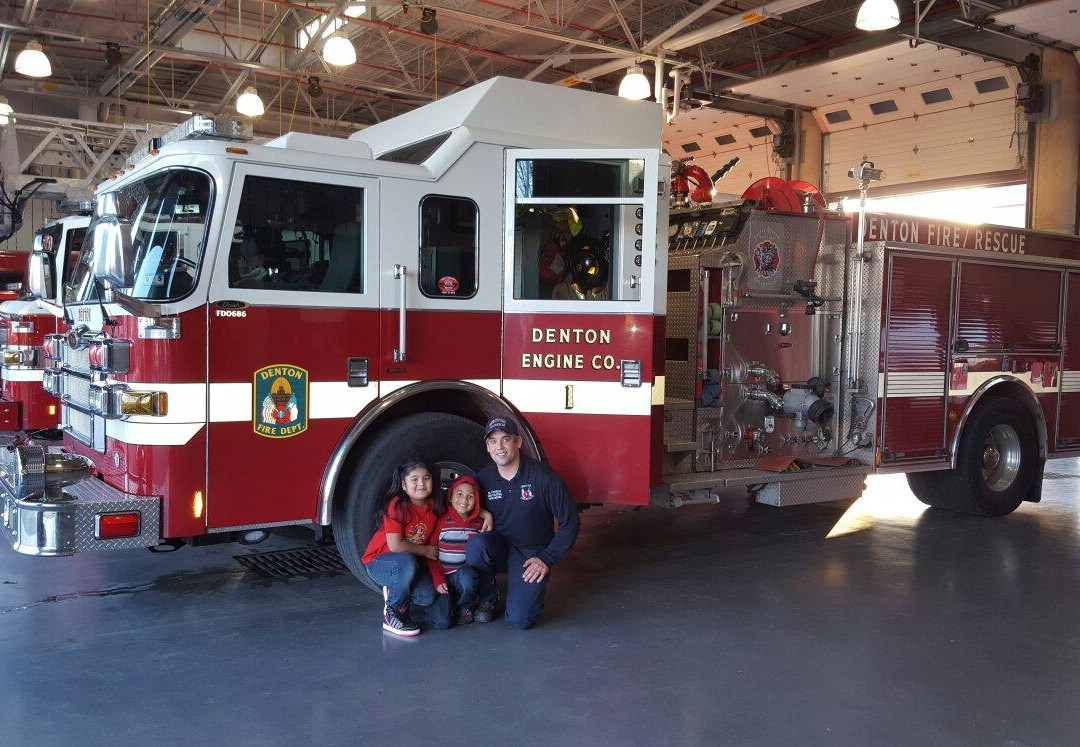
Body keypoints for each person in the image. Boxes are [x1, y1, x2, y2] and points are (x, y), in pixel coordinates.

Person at [466, 417, 580, 629]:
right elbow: (460, 504)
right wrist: (482, 512)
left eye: (505, 439)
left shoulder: (544, 477)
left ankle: (529, 594)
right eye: (493, 441)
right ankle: (488, 596)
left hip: (531, 554)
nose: (499, 447)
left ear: (518, 442)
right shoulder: (483, 479)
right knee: (477, 545)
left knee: (521, 619)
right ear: (487, 447)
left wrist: (546, 558)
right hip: (499, 548)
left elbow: (570, 522)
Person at [361, 459, 451, 637]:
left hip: (410, 565)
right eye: (414, 479)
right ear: (403, 484)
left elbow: (459, 505)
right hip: (380, 562)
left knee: (427, 596)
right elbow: (395, 546)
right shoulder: (397, 505)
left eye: (426, 478)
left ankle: (397, 589)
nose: (421, 484)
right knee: (406, 561)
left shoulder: (434, 505)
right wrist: (426, 550)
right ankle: (393, 611)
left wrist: (484, 513)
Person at [432, 475, 486, 625]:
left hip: (465, 577)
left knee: (467, 576)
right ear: (450, 497)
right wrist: (438, 579)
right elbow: (431, 554)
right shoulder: (442, 521)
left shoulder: (479, 523)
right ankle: (448, 605)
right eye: (459, 494)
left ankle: (465, 606)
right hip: (444, 579)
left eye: (470, 496)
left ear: (477, 501)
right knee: (441, 623)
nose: (464, 500)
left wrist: (487, 516)